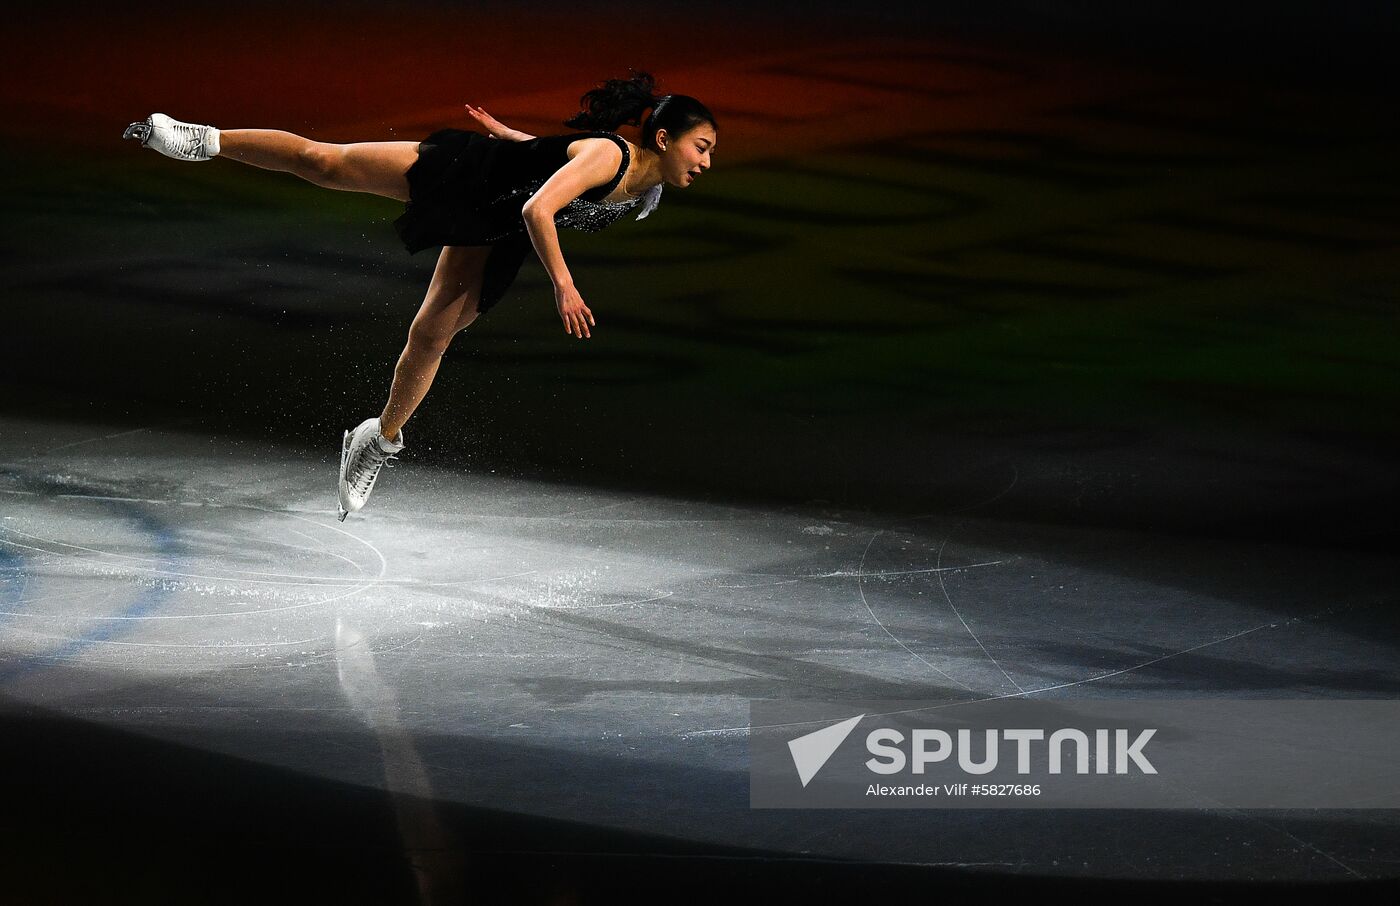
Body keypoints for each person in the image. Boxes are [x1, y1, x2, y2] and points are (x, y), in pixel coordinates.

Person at [122, 73, 718, 520]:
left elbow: (553, 161)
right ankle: (202, 138)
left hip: (497, 226)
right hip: (477, 177)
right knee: (327, 162)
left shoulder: (644, 191)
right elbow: (541, 205)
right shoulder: (613, 155)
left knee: (430, 334)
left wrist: (521, 140)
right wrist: (564, 285)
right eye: (701, 146)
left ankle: (375, 439)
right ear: (664, 137)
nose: (707, 161)